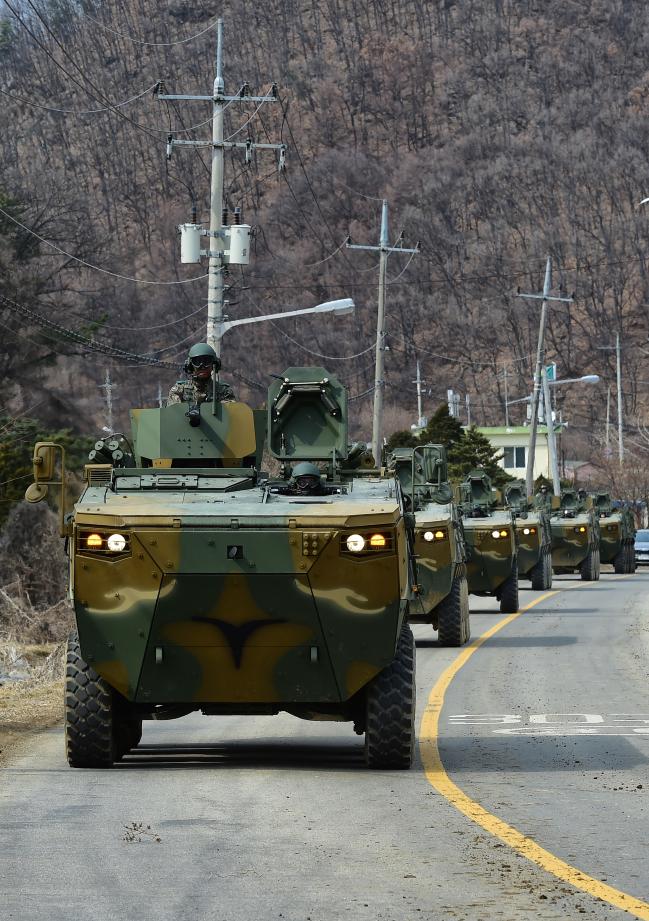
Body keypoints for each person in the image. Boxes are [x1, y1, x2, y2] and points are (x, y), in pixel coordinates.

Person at [167, 342, 235, 405]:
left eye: (206, 361)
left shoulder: (224, 391)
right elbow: (173, 413)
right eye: (197, 362)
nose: (202, 366)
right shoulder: (179, 390)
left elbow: (230, 413)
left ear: (214, 364)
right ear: (190, 365)